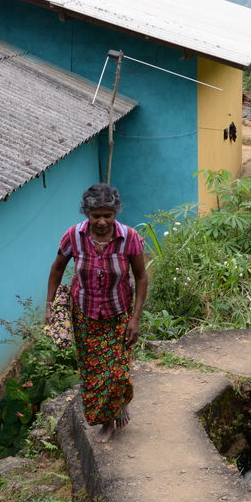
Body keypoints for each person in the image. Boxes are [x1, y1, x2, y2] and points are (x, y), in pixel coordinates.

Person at [46, 184, 148, 443]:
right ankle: (107, 422)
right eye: (96, 216)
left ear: (115, 213)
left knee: (117, 372)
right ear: (87, 214)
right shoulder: (74, 237)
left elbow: (141, 276)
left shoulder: (130, 238)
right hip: (86, 315)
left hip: (117, 313)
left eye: (107, 215)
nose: (102, 222)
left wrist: (135, 318)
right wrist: (50, 306)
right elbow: (57, 269)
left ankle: (120, 402)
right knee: (93, 374)